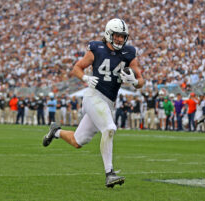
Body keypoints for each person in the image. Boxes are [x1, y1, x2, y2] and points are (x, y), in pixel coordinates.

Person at [42, 18, 144, 188]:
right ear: (109, 34)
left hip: (109, 102)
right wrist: (85, 78)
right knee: (110, 128)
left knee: (77, 141)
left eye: (122, 36)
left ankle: (56, 132)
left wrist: (134, 81)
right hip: (93, 96)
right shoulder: (97, 48)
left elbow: (141, 81)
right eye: (117, 36)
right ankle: (109, 173)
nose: (120, 39)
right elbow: (76, 67)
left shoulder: (129, 53)